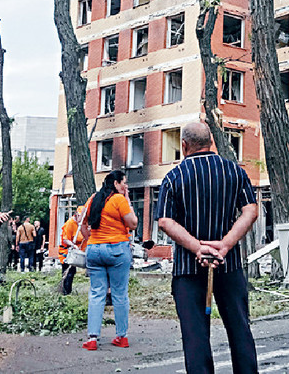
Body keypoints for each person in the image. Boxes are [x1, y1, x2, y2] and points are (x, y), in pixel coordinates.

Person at [157, 121, 259, 374]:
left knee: (195, 336)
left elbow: (165, 221)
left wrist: (196, 248)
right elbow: (251, 210)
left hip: (188, 270)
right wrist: (225, 245)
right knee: (239, 329)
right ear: (211, 142)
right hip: (229, 265)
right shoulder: (234, 172)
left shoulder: (174, 177)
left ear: (184, 146)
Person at [79, 170, 137, 351]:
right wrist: (128, 201)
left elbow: (81, 224)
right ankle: (121, 336)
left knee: (97, 293)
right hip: (117, 249)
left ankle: (92, 339)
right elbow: (133, 223)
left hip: (94, 249)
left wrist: (91, 240)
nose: (125, 186)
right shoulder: (119, 199)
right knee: (119, 293)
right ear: (116, 184)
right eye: (124, 182)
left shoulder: (93, 199)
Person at [59, 207, 87, 295]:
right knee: (68, 272)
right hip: (67, 251)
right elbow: (65, 239)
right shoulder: (70, 223)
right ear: (77, 215)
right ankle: (66, 292)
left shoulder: (82, 224)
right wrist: (73, 245)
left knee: (72, 271)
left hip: (76, 252)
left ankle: (68, 291)